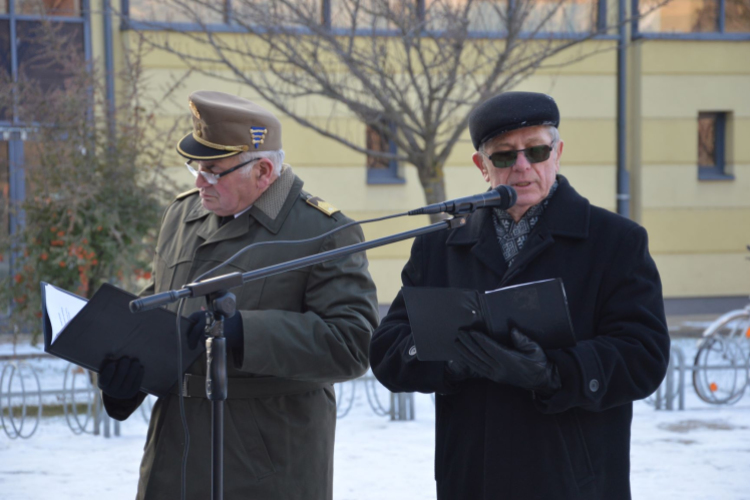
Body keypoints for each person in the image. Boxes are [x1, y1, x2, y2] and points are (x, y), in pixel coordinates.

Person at [370, 91, 670, 500]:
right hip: (472, 477)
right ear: (482, 166)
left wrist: (553, 373)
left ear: (558, 153)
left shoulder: (615, 241)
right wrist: (452, 360)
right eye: (505, 156)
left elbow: (644, 354)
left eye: (537, 151)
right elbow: (388, 351)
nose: (523, 166)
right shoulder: (439, 245)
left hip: (573, 477)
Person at [97, 91, 379, 500]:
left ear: (263, 170)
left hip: (265, 460)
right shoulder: (182, 215)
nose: (198, 182)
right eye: (195, 167)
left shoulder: (322, 231)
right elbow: (159, 304)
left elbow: (353, 343)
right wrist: (123, 380)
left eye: (213, 171)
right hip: (174, 454)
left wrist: (246, 332)